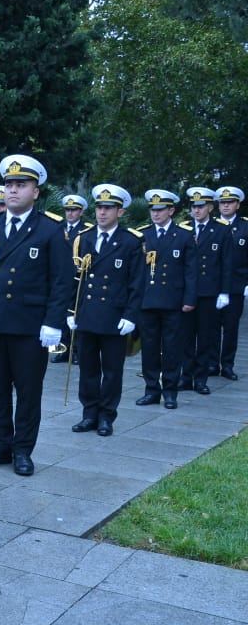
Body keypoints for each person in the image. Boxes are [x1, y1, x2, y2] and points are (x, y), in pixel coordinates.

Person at [0, 155, 69, 477]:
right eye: (9, 185)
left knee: (28, 392)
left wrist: (54, 322)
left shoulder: (50, 229)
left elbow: (62, 280)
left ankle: (23, 449)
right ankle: (0, 444)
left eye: (21, 185)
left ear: (35, 192)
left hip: (30, 326)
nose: (12, 191)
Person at [69, 184, 144, 437]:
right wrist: (71, 311)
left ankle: (106, 416)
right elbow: (74, 279)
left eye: (108, 208)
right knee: (88, 369)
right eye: (99, 207)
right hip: (88, 315)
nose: (102, 212)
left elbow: (137, 283)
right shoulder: (85, 238)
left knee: (112, 371)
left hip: (115, 316)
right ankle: (89, 413)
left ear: (119, 212)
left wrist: (131, 315)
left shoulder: (130, 242)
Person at [135, 190, 196, 410]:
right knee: (149, 348)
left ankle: (170, 391)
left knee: (172, 348)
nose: (155, 213)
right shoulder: (143, 235)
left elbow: (191, 271)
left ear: (171, 211)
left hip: (173, 301)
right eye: (153, 209)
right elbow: (136, 272)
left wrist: (189, 299)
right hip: (148, 301)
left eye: (160, 210)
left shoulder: (184, 236)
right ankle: (151, 390)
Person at [178, 187, 232, 395]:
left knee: (206, 337)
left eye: (201, 206)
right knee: (186, 337)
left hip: (210, 292)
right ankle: (186, 377)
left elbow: (227, 263)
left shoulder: (221, 229)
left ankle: (200, 379)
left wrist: (225, 291)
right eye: (193, 206)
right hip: (187, 292)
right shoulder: (183, 229)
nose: (197, 210)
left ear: (210, 207)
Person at [54, 194, 92, 363]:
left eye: (74, 210)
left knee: (76, 312)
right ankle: (63, 348)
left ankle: (76, 350)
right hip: (60, 276)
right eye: (67, 210)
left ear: (81, 211)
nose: (70, 213)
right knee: (61, 312)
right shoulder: (56, 228)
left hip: (78, 277)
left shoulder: (87, 230)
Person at [215, 186, 247, 379]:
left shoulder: (245, 227)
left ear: (237, 204)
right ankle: (211, 364)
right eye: (222, 202)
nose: (225, 206)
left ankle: (227, 364)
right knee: (209, 328)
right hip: (213, 285)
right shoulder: (210, 226)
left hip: (236, 285)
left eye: (229, 202)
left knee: (231, 327)